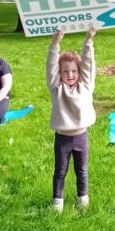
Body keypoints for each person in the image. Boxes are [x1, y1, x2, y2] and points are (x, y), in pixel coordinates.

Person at [46, 27, 97, 212]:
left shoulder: (85, 85)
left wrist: (88, 41)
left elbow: (89, 66)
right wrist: (55, 44)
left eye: (74, 71)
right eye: (65, 71)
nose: (70, 75)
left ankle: (82, 198)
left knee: (81, 171)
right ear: (60, 73)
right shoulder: (56, 88)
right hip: (62, 138)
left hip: (81, 136)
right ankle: (57, 201)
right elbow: (51, 67)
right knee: (60, 170)